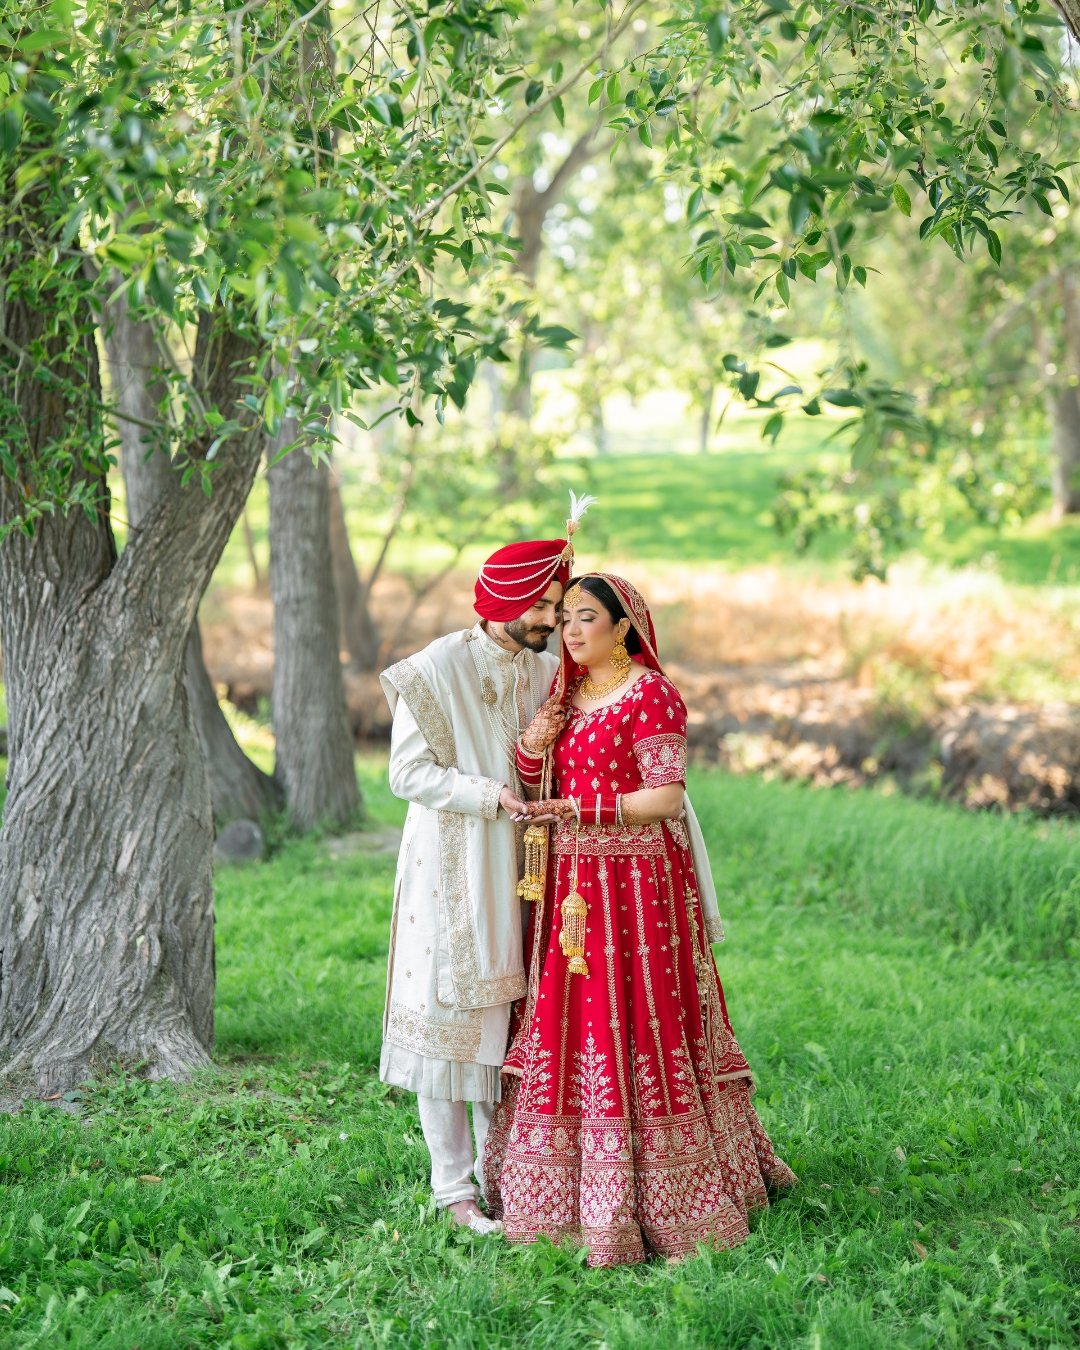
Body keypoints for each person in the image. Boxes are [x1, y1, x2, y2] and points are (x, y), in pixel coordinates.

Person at [482, 572, 797, 1266]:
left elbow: (665, 800)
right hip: (572, 880)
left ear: (624, 625)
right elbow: (535, 772)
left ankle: (670, 1191)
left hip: (637, 885)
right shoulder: (567, 695)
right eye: (564, 618)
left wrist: (578, 812)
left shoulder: (651, 695)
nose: (569, 630)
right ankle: (561, 1198)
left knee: (640, 1014)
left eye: (585, 617)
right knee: (575, 1015)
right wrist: (541, 739)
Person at [378, 527, 587, 1235]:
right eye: (545, 607)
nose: (553, 622)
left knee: (512, 1022)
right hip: (452, 865)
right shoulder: (433, 670)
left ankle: (509, 1175)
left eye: (559, 609)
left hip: (527, 865)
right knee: (451, 1026)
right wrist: (487, 793)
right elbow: (404, 774)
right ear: (506, 598)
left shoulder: (544, 665)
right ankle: (453, 1192)